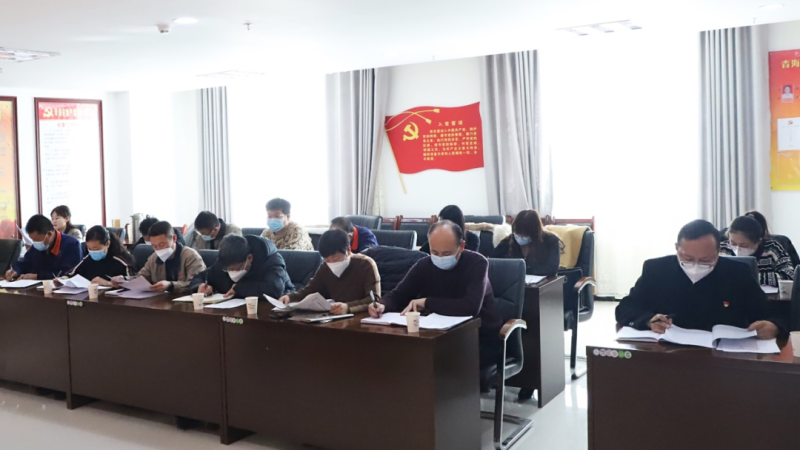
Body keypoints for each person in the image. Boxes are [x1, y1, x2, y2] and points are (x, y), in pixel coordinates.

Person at [616, 219, 784, 339]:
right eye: (688, 258)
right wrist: (647, 320)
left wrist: (773, 327)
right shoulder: (656, 269)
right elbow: (626, 308)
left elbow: (773, 315)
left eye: (705, 260)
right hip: (666, 354)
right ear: (677, 248)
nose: (695, 266)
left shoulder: (737, 273)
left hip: (723, 359)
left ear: (718, 251)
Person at [369, 220, 501, 368]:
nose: (440, 258)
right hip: (438, 336)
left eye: (446, 253)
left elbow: (471, 307)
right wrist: (382, 305)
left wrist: (427, 302)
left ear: (461, 246)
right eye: (435, 252)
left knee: (433, 367)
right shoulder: (424, 265)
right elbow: (398, 295)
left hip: (478, 338)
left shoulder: (477, 263)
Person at [279, 229, 380, 314]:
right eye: (327, 259)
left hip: (360, 317)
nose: (331, 263)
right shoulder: (325, 267)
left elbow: (374, 300)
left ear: (348, 251)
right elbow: (310, 290)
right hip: (335, 315)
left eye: (335, 258)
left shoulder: (366, 264)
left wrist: (348, 307)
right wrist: (290, 297)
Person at [191, 234, 293, 299]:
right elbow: (201, 276)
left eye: (235, 269)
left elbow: (274, 289)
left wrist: (239, 289)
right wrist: (200, 286)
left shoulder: (271, 260)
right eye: (228, 269)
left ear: (249, 258)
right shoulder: (224, 261)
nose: (231, 272)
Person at [719, 215, 794, 287]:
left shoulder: (772, 248)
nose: (738, 248)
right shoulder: (723, 248)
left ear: (758, 242)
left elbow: (790, 275)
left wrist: (755, 277)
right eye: (733, 243)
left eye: (744, 245)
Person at [6, 214, 83, 280]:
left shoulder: (72, 244)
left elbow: (69, 274)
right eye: (32, 240)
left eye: (36, 239)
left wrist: (37, 276)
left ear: (49, 234)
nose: (35, 243)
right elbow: (25, 262)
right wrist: (15, 271)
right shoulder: (37, 245)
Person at [138, 221, 205, 294]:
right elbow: (142, 277)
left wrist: (171, 285)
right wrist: (130, 281)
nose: (158, 249)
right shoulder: (154, 258)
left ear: (174, 238)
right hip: (161, 299)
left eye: (161, 244)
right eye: (154, 246)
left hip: (185, 299)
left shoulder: (191, 256)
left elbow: (196, 285)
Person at [491, 209, 561, 277]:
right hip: (514, 281)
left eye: (524, 235)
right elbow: (492, 262)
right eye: (517, 233)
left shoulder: (551, 241)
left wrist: (524, 270)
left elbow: (552, 269)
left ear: (534, 233)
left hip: (543, 282)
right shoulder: (507, 242)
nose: (520, 237)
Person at [68, 226, 135, 286]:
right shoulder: (88, 258)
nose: (92, 252)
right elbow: (72, 273)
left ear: (107, 244)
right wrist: (65, 278)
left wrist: (107, 283)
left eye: (96, 248)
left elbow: (133, 282)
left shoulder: (120, 260)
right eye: (89, 248)